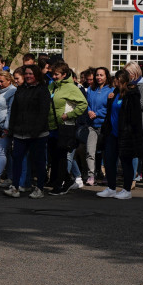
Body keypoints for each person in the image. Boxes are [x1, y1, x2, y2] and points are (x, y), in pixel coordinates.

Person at [4, 65, 50, 199]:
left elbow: (43, 113)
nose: (28, 76)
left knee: (38, 161)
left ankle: (39, 188)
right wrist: (11, 129)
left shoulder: (42, 90)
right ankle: (15, 187)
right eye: (27, 74)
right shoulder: (21, 89)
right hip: (20, 132)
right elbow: (14, 111)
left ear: (36, 75)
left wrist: (36, 131)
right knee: (17, 159)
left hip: (37, 134)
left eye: (31, 74)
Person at [97, 69, 143, 199]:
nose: (114, 82)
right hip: (112, 133)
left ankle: (127, 190)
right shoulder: (115, 93)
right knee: (109, 160)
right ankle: (111, 188)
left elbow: (135, 118)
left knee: (126, 162)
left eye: (115, 80)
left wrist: (133, 134)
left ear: (120, 80)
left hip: (126, 134)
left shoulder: (132, 94)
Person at [46, 61, 88, 195]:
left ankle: (60, 185)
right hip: (52, 126)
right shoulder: (52, 86)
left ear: (64, 74)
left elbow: (83, 104)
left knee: (62, 156)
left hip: (65, 126)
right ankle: (67, 180)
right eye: (52, 74)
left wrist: (69, 115)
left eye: (56, 74)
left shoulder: (71, 88)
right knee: (54, 156)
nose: (54, 76)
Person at [84, 67, 113, 187]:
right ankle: (91, 175)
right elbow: (86, 103)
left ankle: (107, 175)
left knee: (106, 152)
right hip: (92, 125)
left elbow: (109, 107)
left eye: (101, 75)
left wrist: (98, 113)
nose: (99, 77)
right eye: (97, 75)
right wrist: (89, 111)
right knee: (90, 151)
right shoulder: (91, 89)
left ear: (106, 76)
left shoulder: (111, 90)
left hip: (104, 125)